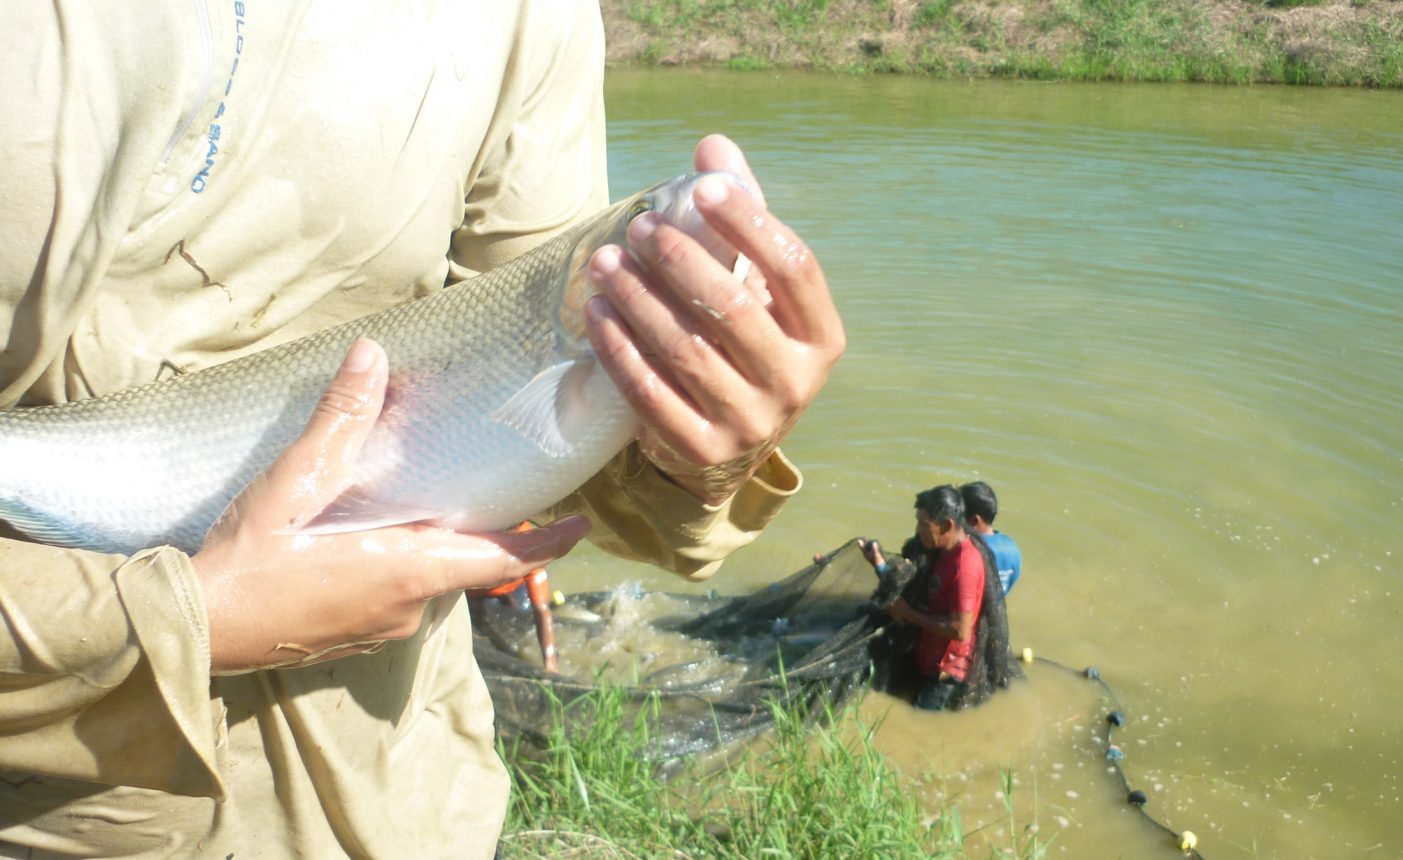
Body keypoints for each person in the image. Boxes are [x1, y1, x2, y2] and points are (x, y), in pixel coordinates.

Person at [0, 3, 843, 857]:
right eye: (647, 222)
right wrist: (186, 622)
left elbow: (550, 453)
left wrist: (694, 438)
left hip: (416, 811)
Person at [863, 485, 1011, 711]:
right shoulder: (941, 549)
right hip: (927, 656)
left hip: (946, 675)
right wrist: (879, 564)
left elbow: (960, 630)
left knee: (920, 723)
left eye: (924, 524)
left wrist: (907, 614)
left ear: (947, 525)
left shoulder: (965, 567)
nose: (918, 530)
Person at [960, 481, 1022, 596]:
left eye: (958, 515)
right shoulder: (1012, 547)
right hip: (998, 606)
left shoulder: (970, 549)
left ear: (974, 520)